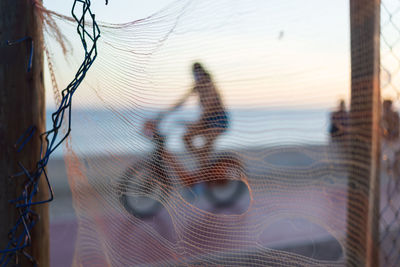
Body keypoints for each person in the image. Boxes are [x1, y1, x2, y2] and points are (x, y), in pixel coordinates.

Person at [168, 62, 229, 168]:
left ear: (204, 73)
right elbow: (182, 101)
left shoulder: (210, 86)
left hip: (218, 121)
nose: (197, 77)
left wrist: (196, 123)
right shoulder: (197, 86)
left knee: (205, 148)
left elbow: (208, 109)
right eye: (195, 75)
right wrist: (166, 112)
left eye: (199, 74)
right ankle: (205, 165)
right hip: (206, 120)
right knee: (186, 138)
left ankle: (207, 171)